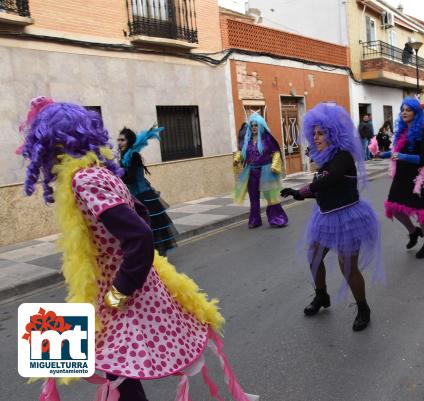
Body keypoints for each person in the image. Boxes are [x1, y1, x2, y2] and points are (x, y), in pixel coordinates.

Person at [17, 97, 255, 401]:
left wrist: (119, 291)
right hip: (112, 288)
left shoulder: (84, 179)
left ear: (50, 144)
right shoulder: (98, 172)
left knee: (118, 372)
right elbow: (139, 212)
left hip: (120, 294)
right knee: (119, 373)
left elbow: (140, 235)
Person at [280, 103, 383, 331]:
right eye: (314, 134)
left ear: (333, 133)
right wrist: (304, 194)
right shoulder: (324, 157)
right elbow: (324, 189)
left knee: (347, 266)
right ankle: (321, 296)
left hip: (348, 218)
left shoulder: (343, 156)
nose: (316, 138)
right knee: (314, 256)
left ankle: (363, 308)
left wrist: (302, 191)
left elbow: (330, 179)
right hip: (325, 217)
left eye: (321, 133)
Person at [377, 98, 424, 259]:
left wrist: (402, 156)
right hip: (402, 176)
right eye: (402, 109)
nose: (404, 112)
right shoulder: (402, 131)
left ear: (416, 113)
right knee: (394, 208)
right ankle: (413, 231)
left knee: (422, 213)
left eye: (408, 110)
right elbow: (397, 152)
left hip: (419, 178)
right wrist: (384, 154)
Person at [118, 127, 178, 256]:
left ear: (129, 141)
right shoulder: (123, 156)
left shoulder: (134, 155)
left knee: (151, 228)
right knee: (140, 228)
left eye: (122, 140)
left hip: (144, 197)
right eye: (118, 140)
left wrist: (116, 174)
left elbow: (131, 178)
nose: (119, 142)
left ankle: (157, 258)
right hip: (133, 196)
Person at [233, 113, 288, 228]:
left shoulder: (267, 138)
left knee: (271, 197)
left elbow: (276, 153)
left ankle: (277, 218)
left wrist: (274, 165)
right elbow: (242, 153)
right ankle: (255, 220)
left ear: (261, 126)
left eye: (256, 125)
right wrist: (238, 158)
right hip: (251, 172)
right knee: (253, 198)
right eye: (252, 125)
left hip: (266, 171)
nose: (254, 127)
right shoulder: (247, 139)